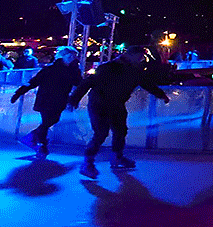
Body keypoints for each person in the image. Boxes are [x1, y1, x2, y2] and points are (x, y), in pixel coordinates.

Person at [69, 46, 171, 178]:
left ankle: (117, 157)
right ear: (131, 55)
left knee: (120, 131)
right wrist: (74, 99)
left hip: (117, 104)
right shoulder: (108, 67)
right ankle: (87, 163)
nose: (141, 60)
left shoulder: (135, 70)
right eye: (139, 57)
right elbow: (87, 83)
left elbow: (146, 83)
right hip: (99, 104)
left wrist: (161, 94)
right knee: (101, 133)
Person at [10, 46, 82, 159]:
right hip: (46, 100)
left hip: (59, 100)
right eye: (70, 56)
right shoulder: (50, 69)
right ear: (64, 56)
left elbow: (78, 83)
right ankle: (41, 145)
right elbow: (33, 82)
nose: (73, 58)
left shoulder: (72, 71)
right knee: (46, 122)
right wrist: (18, 93)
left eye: (74, 57)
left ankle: (32, 138)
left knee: (52, 120)